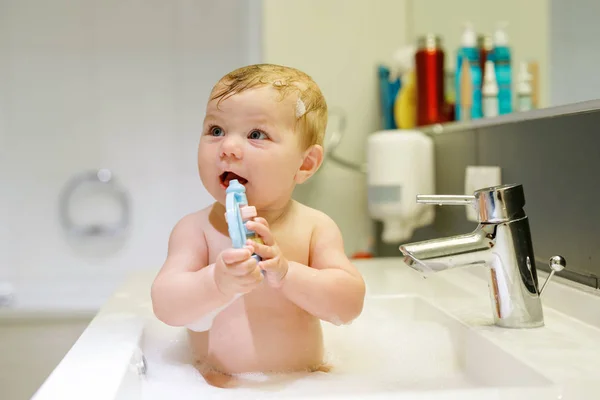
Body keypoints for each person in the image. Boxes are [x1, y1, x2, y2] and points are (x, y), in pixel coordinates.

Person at [150, 63, 366, 385]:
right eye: (216, 130)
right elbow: (166, 305)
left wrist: (287, 273)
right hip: (217, 385)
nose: (228, 148)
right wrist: (216, 283)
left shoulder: (314, 228)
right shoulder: (196, 230)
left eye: (255, 135)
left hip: (303, 386)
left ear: (305, 164)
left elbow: (349, 304)